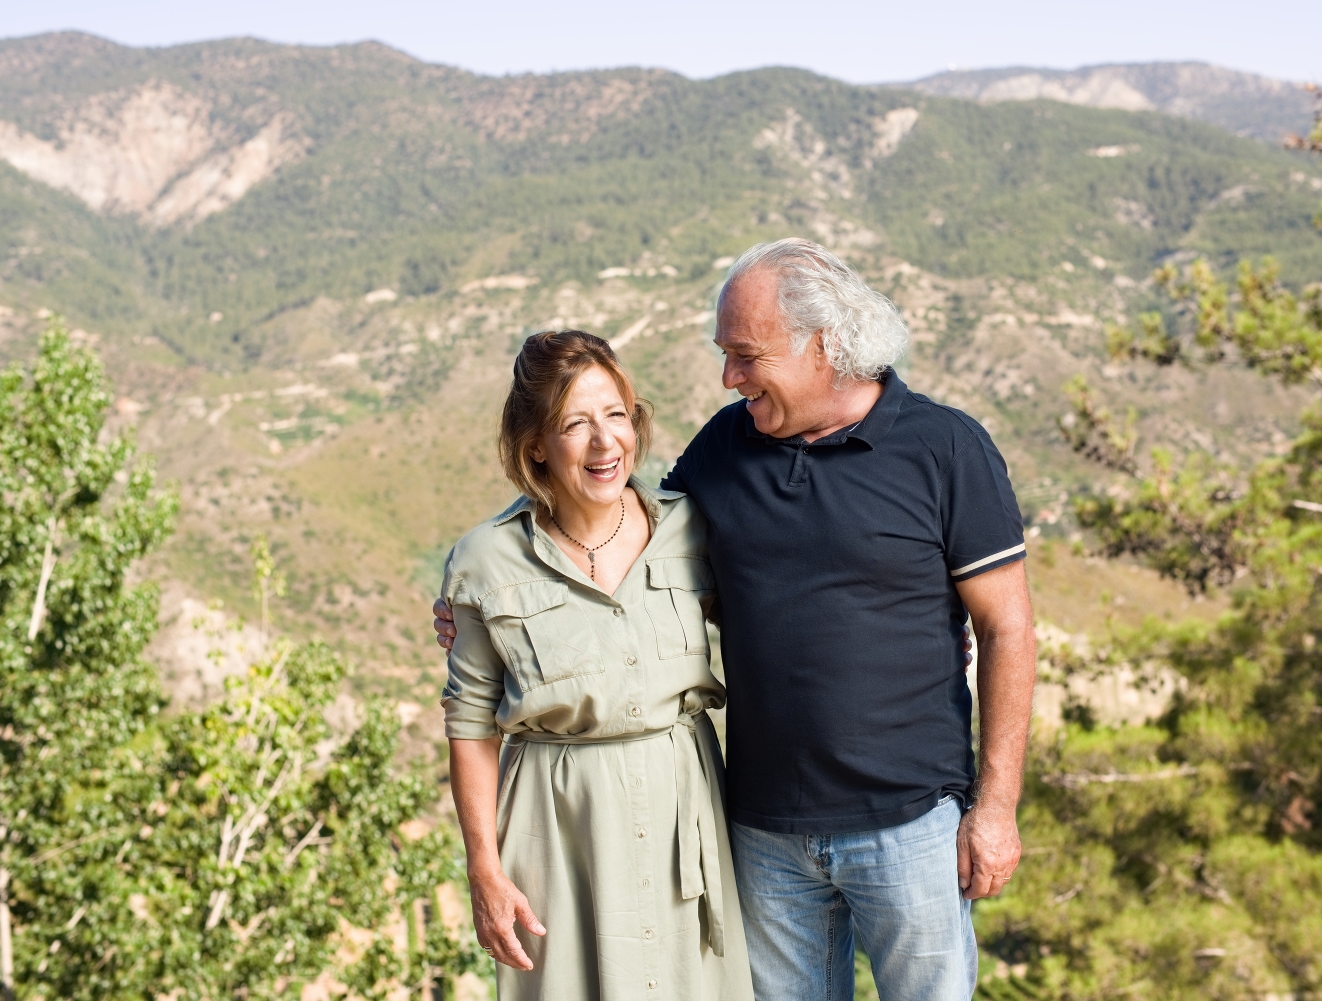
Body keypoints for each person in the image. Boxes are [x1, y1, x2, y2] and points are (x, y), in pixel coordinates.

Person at [439, 239, 1037, 1001]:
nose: (729, 378)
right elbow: (621, 547)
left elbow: (1009, 629)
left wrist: (996, 806)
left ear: (822, 345)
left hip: (911, 828)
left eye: (745, 355)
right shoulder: (723, 449)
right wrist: (486, 609)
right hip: (761, 834)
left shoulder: (947, 448)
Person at [439, 330, 753, 1001]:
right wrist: (484, 871)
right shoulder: (484, 563)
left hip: (683, 816)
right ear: (535, 447)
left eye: (616, 415)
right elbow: (469, 726)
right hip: (557, 830)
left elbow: (777, 614)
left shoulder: (692, 530)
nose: (605, 442)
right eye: (575, 424)